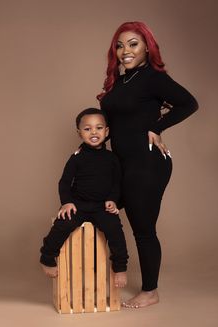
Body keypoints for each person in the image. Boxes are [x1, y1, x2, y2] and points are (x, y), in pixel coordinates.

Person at [98, 21, 198, 307]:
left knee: (142, 229)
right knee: (97, 211)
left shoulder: (153, 78)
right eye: (120, 45)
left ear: (147, 48)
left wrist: (158, 127)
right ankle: (97, 280)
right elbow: (116, 122)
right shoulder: (119, 81)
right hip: (121, 164)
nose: (124, 51)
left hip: (147, 163)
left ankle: (150, 291)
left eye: (133, 44)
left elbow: (188, 103)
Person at [40, 108, 129, 288]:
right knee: (61, 224)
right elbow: (64, 182)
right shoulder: (76, 158)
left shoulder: (112, 158)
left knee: (115, 230)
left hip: (102, 206)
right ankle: (47, 257)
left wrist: (113, 200)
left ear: (107, 131)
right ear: (79, 133)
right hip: (78, 205)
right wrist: (66, 202)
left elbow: (117, 183)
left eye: (99, 128)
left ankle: (120, 267)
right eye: (87, 129)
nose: (94, 132)